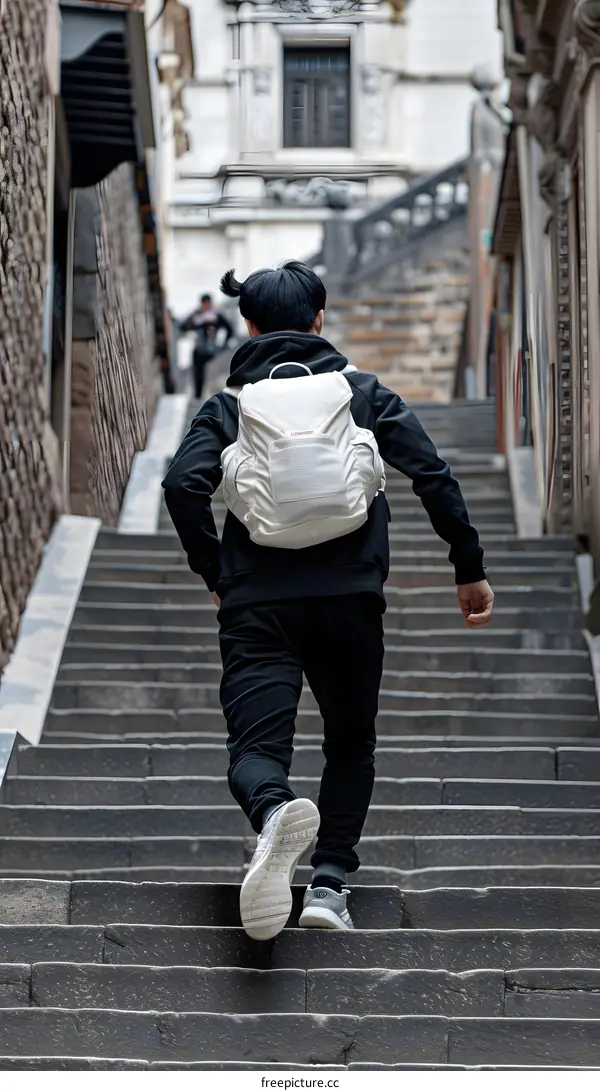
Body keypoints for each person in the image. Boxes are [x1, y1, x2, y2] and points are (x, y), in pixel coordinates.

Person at [162, 260, 494, 941]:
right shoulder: (361, 393)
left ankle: (275, 809)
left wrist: (216, 572)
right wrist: (469, 566)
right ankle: (331, 884)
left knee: (256, 746)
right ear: (320, 320)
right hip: (349, 597)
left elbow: (180, 485)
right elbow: (432, 473)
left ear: (247, 327)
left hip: (257, 602)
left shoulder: (229, 407)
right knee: (349, 742)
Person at [179, 293, 235, 400]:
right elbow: (183, 326)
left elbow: (229, 329)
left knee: (208, 371)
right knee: (197, 372)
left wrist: (223, 345)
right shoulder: (198, 315)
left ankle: (204, 395)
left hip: (211, 351)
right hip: (201, 349)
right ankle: (198, 395)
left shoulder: (214, 315)